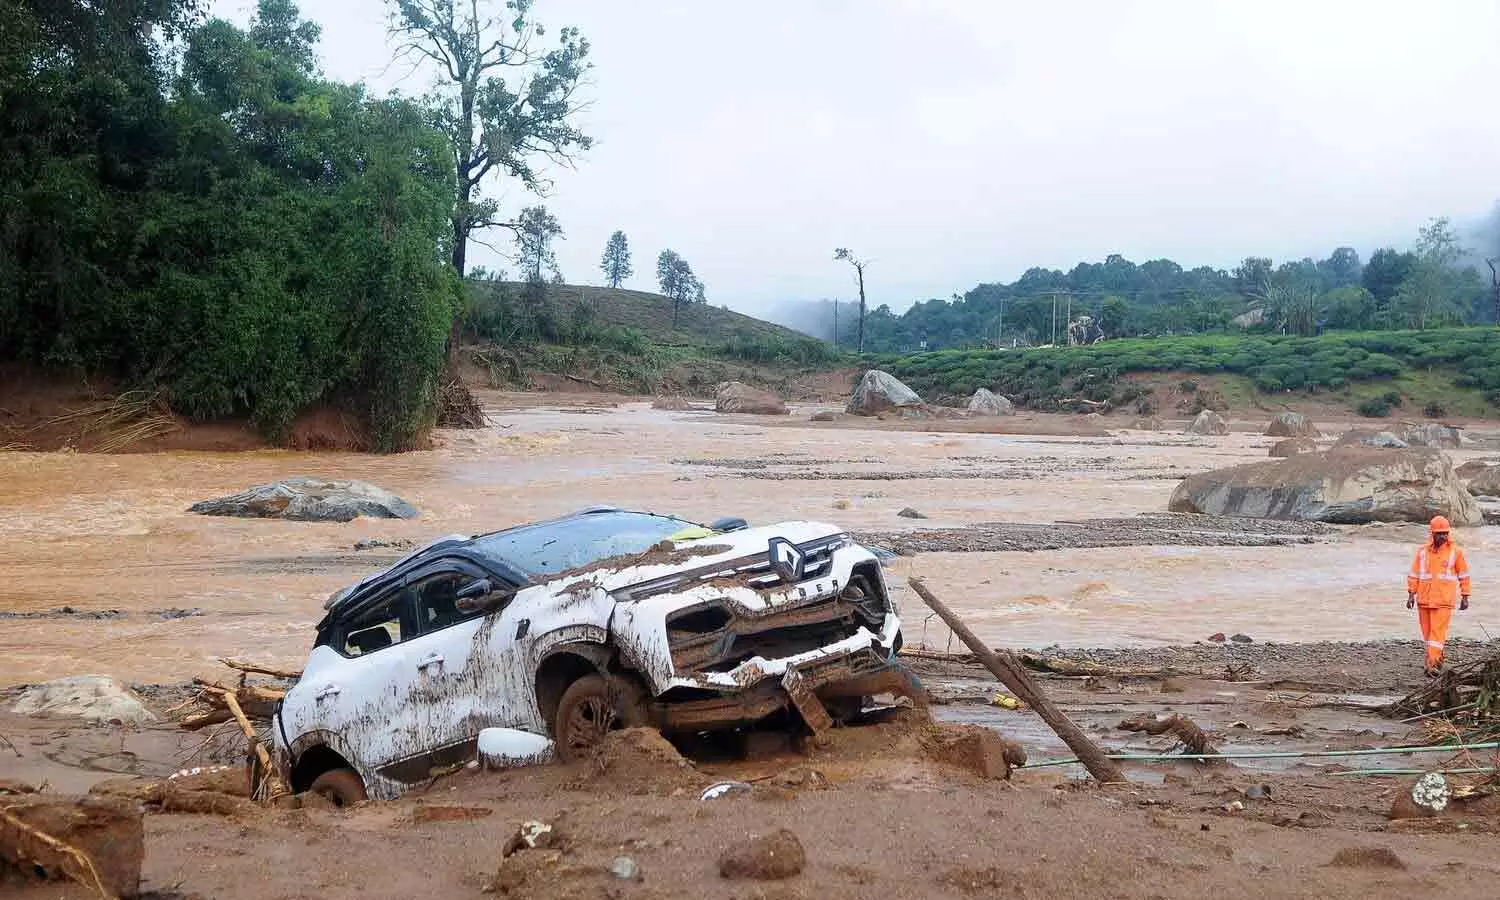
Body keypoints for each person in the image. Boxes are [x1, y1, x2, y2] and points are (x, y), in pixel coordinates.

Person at [1406, 515, 1472, 676]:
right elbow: (1414, 574)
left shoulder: (1455, 553)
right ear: (1432, 534)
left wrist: (1465, 595)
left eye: (1445, 533)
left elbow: (1464, 575)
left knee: (1437, 634)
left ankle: (1432, 665)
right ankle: (1438, 659)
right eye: (1439, 533)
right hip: (1424, 599)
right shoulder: (1422, 552)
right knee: (1428, 634)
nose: (1443, 536)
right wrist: (1411, 594)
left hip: (1444, 600)